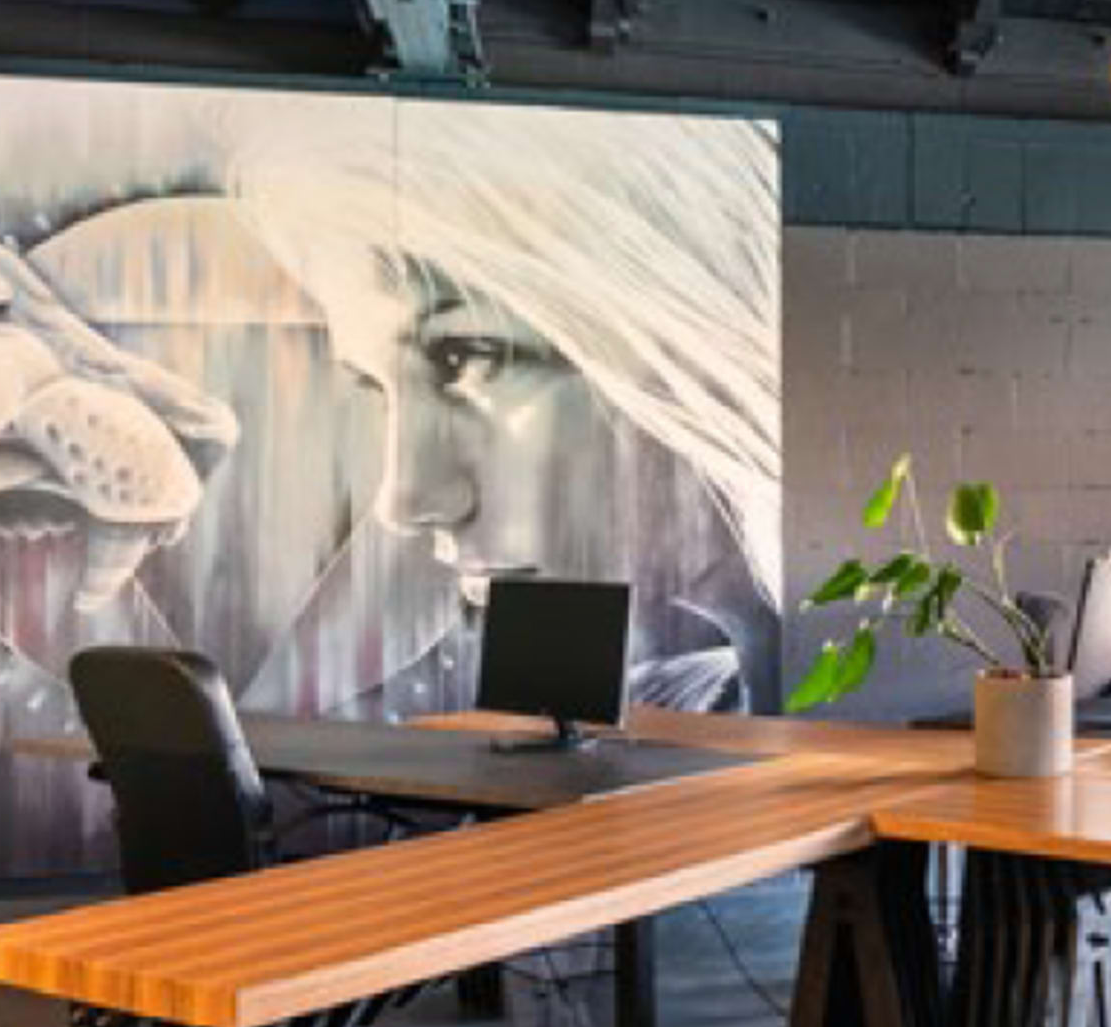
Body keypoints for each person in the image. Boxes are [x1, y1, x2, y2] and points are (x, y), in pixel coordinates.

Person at [226, 100, 784, 713]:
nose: (405, 501)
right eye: (381, 390)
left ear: (706, 326)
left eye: (471, 354)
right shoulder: (660, 702)